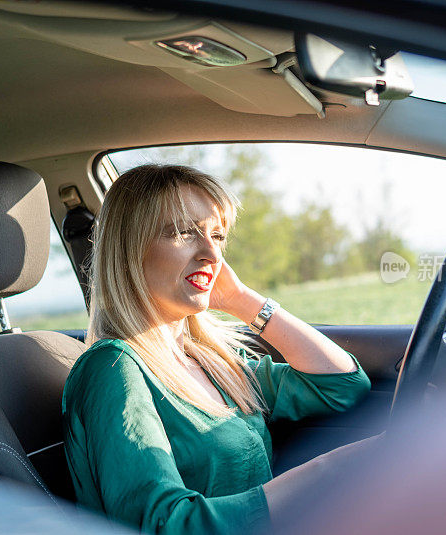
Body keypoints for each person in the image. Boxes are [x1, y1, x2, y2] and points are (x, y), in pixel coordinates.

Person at [61, 164, 371, 535]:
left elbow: (343, 386)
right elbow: (166, 526)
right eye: (184, 233)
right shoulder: (113, 367)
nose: (212, 253)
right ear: (130, 250)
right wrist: (328, 471)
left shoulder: (210, 360)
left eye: (218, 235)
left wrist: (242, 300)